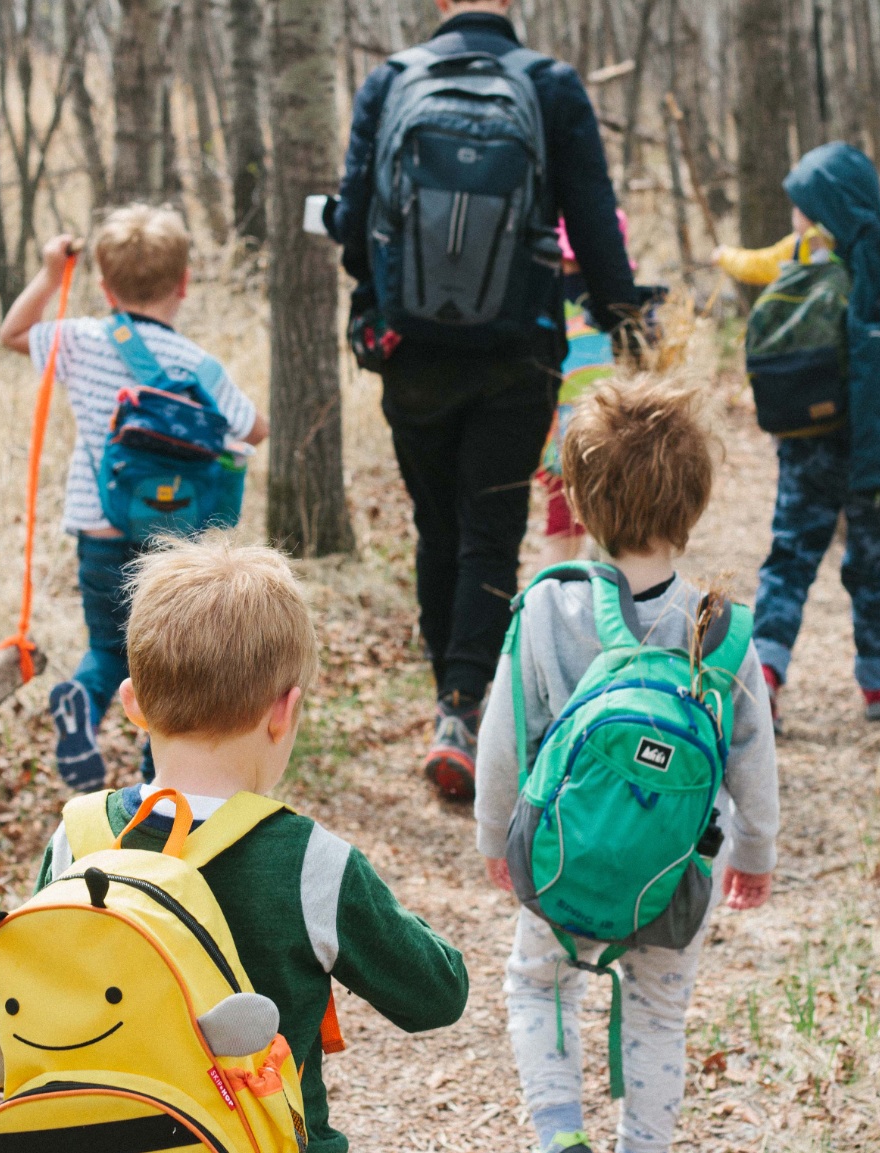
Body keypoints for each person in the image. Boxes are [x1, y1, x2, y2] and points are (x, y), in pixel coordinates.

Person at [32, 537, 471, 1153]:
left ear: (132, 704)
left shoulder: (75, 838)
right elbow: (436, 996)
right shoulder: (308, 862)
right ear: (284, 712)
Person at [330, 0, 642, 803]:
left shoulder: (390, 81)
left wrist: (373, 304)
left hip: (412, 353)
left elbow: (353, 220)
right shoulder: (549, 85)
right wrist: (622, 317)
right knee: (491, 531)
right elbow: (592, 219)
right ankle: (465, 709)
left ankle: (451, 702)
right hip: (516, 349)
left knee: (436, 525)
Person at [474, 380, 780, 1153]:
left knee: (538, 982)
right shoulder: (724, 630)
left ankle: (557, 1132)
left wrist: (492, 837)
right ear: (697, 500)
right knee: (656, 1014)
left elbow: (504, 738)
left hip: (561, 857)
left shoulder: (547, 605)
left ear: (577, 500)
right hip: (674, 873)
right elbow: (752, 759)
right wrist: (755, 852)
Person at [0, 205, 269, 790]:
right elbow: (254, 429)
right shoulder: (196, 364)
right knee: (172, 667)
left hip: (99, 531)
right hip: (172, 544)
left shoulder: (80, 341)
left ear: (102, 285)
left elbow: (12, 334)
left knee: (107, 646)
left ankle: (84, 700)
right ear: (184, 284)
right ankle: (159, 780)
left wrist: (49, 275)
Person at [714, 144, 880, 725]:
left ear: (822, 209)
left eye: (803, 205)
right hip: (873, 453)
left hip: (807, 448)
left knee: (790, 559)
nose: (796, 215)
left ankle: (766, 678)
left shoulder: (807, 263)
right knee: (872, 564)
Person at [532, 213, 626, 567]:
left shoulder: (545, 298)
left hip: (565, 432)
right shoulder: (615, 306)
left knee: (565, 527)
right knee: (604, 525)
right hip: (599, 431)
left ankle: (555, 601)